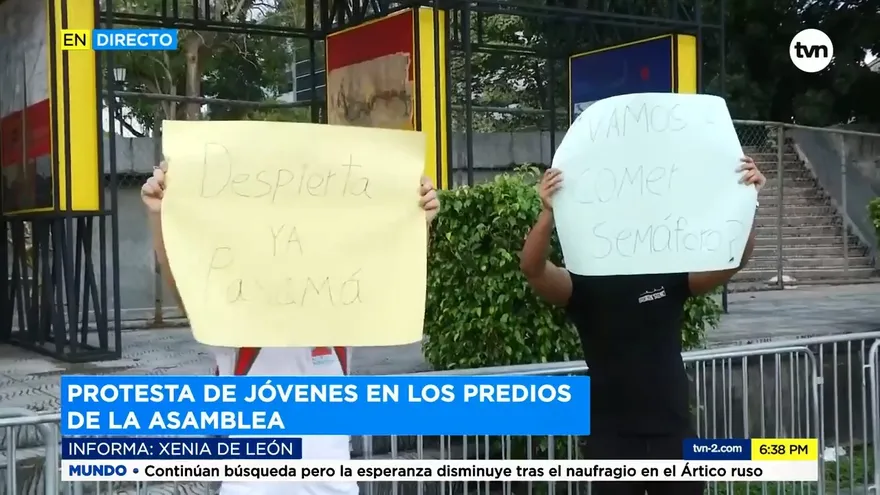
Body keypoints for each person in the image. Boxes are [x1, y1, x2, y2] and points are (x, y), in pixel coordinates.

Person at [141, 160, 440, 495]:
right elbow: (184, 289)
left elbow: (394, 277)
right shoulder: (235, 333)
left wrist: (418, 222)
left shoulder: (339, 324)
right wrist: (159, 216)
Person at [519, 156, 765, 495]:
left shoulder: (667, 273)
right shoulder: (583, 284)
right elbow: (532, 268)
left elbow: (733, 259)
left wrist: (748, 200)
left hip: (672, 434)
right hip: (612, 439)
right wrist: (548, 211)